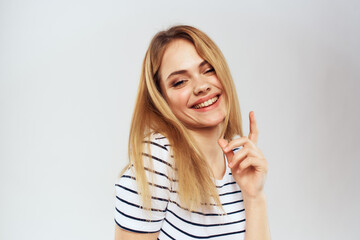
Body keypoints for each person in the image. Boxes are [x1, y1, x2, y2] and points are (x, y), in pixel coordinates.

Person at [114, 25, 270, 240]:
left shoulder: (236, 159)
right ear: (162, 100)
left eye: (208, 70)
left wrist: (254, 196)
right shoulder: (157, 161)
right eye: (179, 82)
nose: (201, 86)